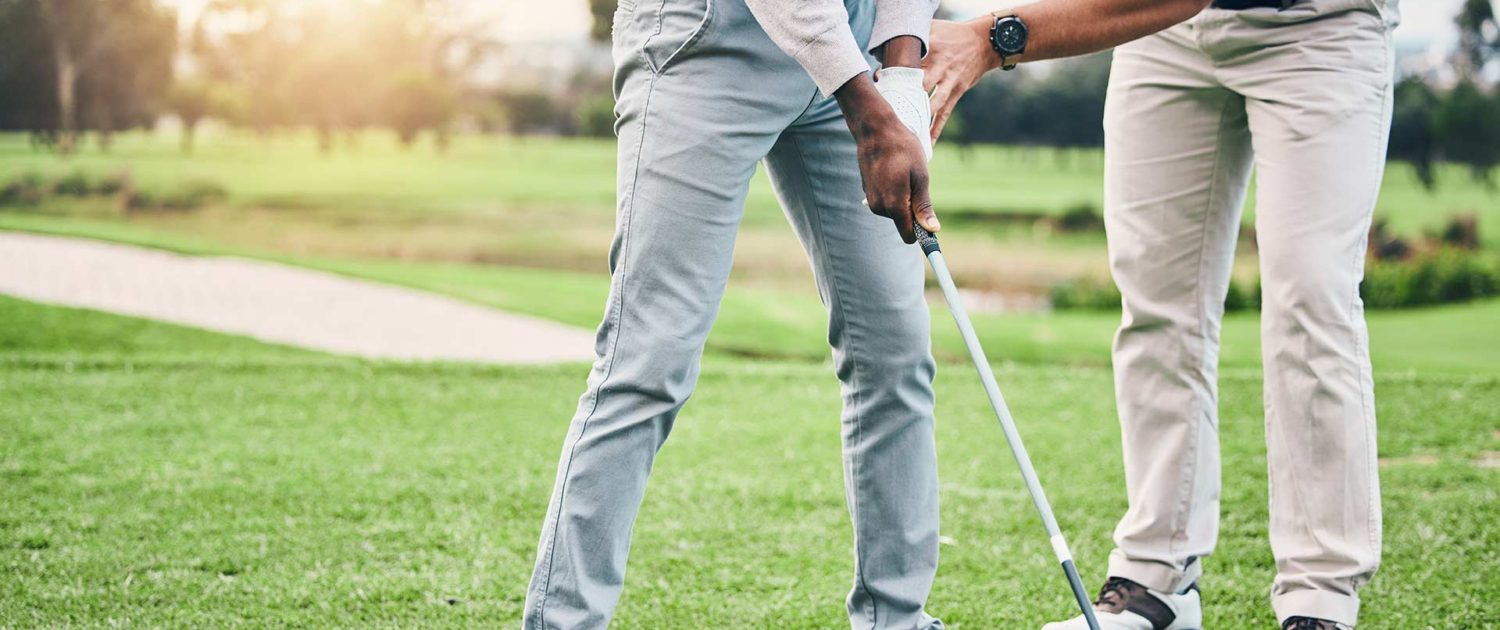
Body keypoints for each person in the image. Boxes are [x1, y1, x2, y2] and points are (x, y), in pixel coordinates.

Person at [921, 0, 1399, 628]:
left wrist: (995, 37)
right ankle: (1156, 583)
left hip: (1318, 25)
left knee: (1312, 299)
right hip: (1164, 36)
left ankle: (1320, 599)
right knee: (1155, 302)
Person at [520, 0, 951, 628]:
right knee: (649, 361)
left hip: (856, 46)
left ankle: (898, 620)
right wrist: (868, 109)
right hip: (714, 37)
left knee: (896, 352)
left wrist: (902, 77)